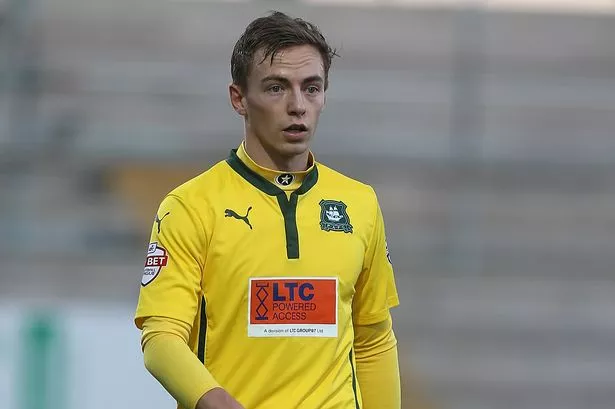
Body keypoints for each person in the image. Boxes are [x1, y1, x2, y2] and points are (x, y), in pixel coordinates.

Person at [135, 11, 401, 409]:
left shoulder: (359, 203)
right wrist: (216, 401)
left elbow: (373, 339)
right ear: (239, 99)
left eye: (311, 88)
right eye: (277, 88)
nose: (298, 106)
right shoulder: (190, 207)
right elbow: (161, 337)